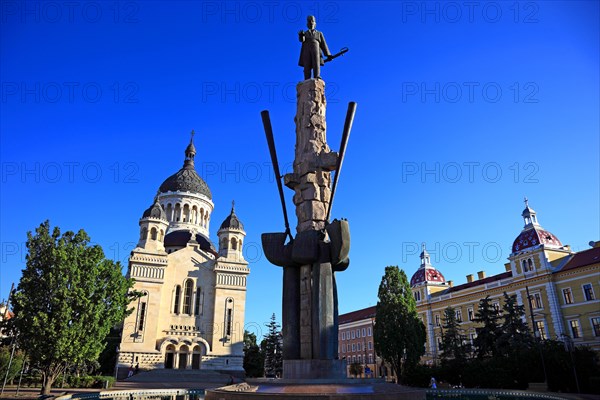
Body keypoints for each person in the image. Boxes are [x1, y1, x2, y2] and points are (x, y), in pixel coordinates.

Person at [298, 16, 332, 80]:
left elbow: (323, 44)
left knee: (316, 62)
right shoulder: (305, 33)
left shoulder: (319, 33)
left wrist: (328, 54)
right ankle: (307, 78)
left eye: (312, 21)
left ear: (315, 24)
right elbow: (302, 40)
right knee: (307, 64)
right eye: (309, 21)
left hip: (316, 49)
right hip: (306, 50)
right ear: (307, 24)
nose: (311, 23)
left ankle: (317, 76)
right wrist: (301, 35)